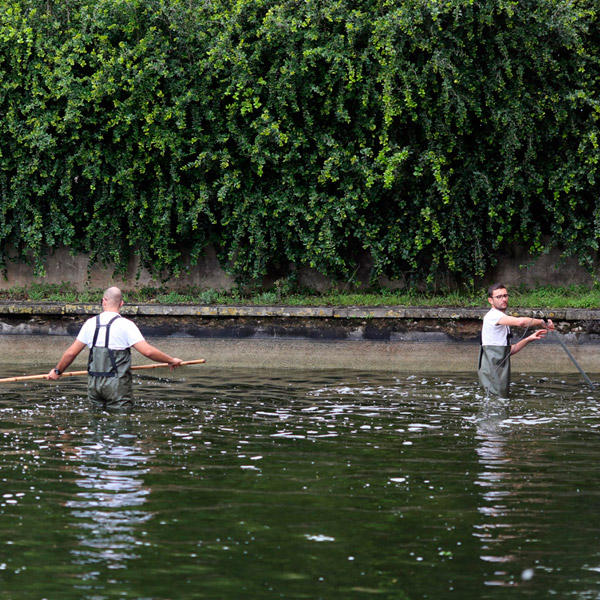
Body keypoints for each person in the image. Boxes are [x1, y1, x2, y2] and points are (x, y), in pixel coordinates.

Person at [47, 286, 182, 409]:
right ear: (121, 304)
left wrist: (57, 371)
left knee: (97, 425)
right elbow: (148, 351)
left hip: (94, 385)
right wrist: (170, 360)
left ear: (103, 301)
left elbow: (71, 353)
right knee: (120, 426)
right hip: (117, 387)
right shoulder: (126, 325)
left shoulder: (90, 324)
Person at [478, 283, 554, 397]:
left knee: (499, 402)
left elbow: (508, 352)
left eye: (505, 296)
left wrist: (529, 339)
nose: (503, 299)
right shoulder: (492, 316)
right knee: (496, 404)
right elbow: (521, 322)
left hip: (498, 374)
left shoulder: (501, 320)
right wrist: (542, 322)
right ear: (490, 300)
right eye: (499, 297)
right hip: (492, 374)